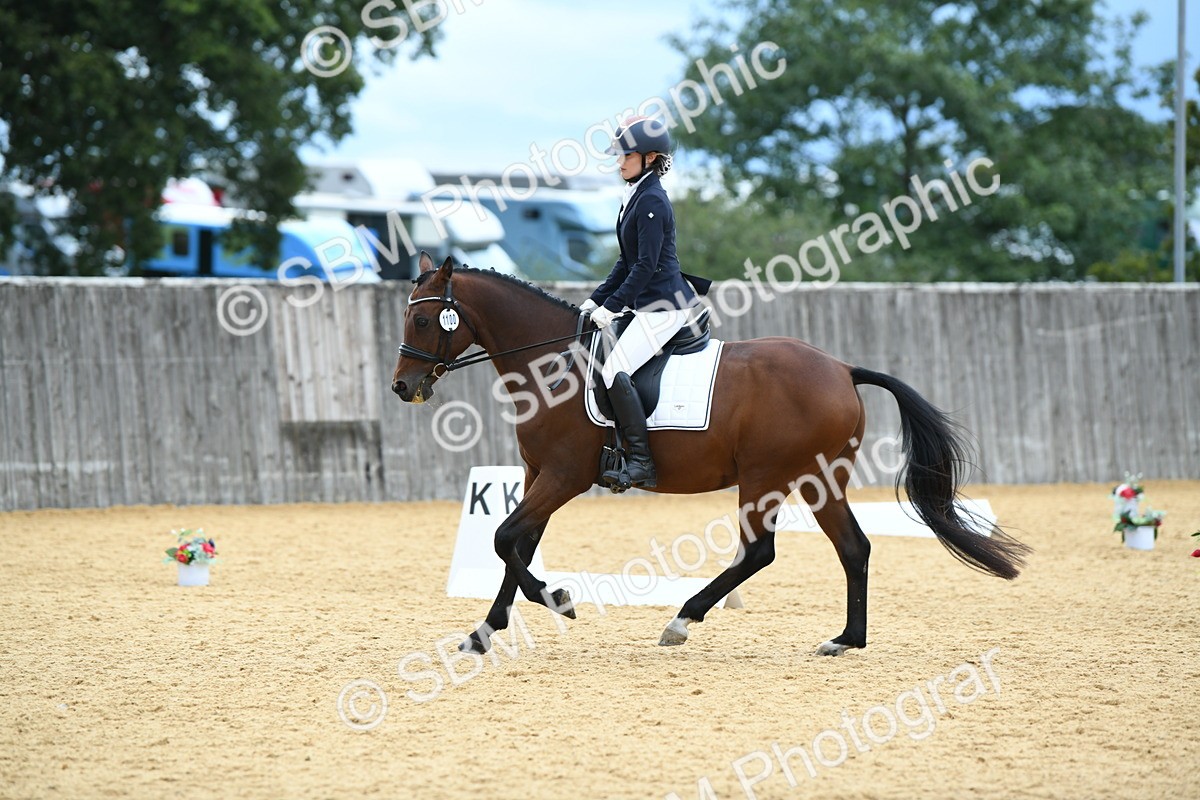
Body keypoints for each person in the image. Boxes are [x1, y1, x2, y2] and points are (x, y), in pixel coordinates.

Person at [579, 116, 710, 489]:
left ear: (650, 157)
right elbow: (625, 261)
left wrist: (613, 306)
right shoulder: (635, 194)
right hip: (646, 303)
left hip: (665, 306)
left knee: (612, 371)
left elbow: (645, 265)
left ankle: (640, 462)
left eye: (626, 155)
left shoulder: (651, 199)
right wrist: (596, 300)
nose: (619, 162)